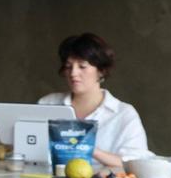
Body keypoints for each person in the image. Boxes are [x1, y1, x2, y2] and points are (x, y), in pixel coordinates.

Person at [38, 32, 151, 170]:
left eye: (82, 66)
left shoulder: (123, 114)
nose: (73, 73)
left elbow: (136, 163)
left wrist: (89, 148)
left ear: (101, 71)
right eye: (68, 66)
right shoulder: (48, 104)